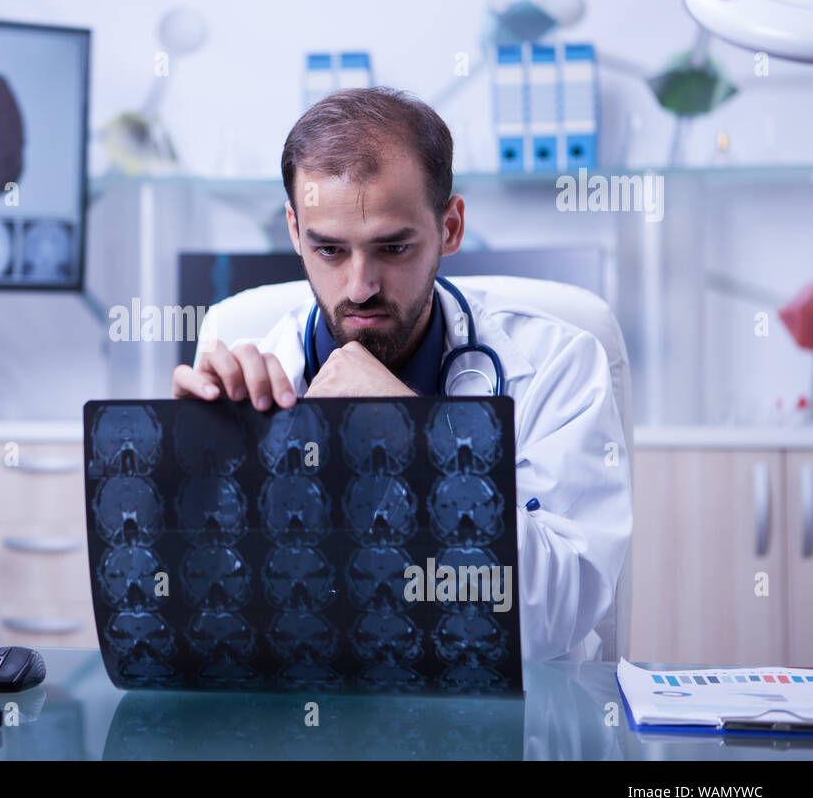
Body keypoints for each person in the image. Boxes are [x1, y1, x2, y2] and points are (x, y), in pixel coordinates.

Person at [170, 87, 632, 662]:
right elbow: (211, 629)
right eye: (330, 250)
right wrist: (186, 484)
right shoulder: (250, 375)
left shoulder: (556, 363)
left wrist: (415, 434)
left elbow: (553, 622)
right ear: (294, 231)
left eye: (392, 247)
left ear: (451, 227)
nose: (361, 286)